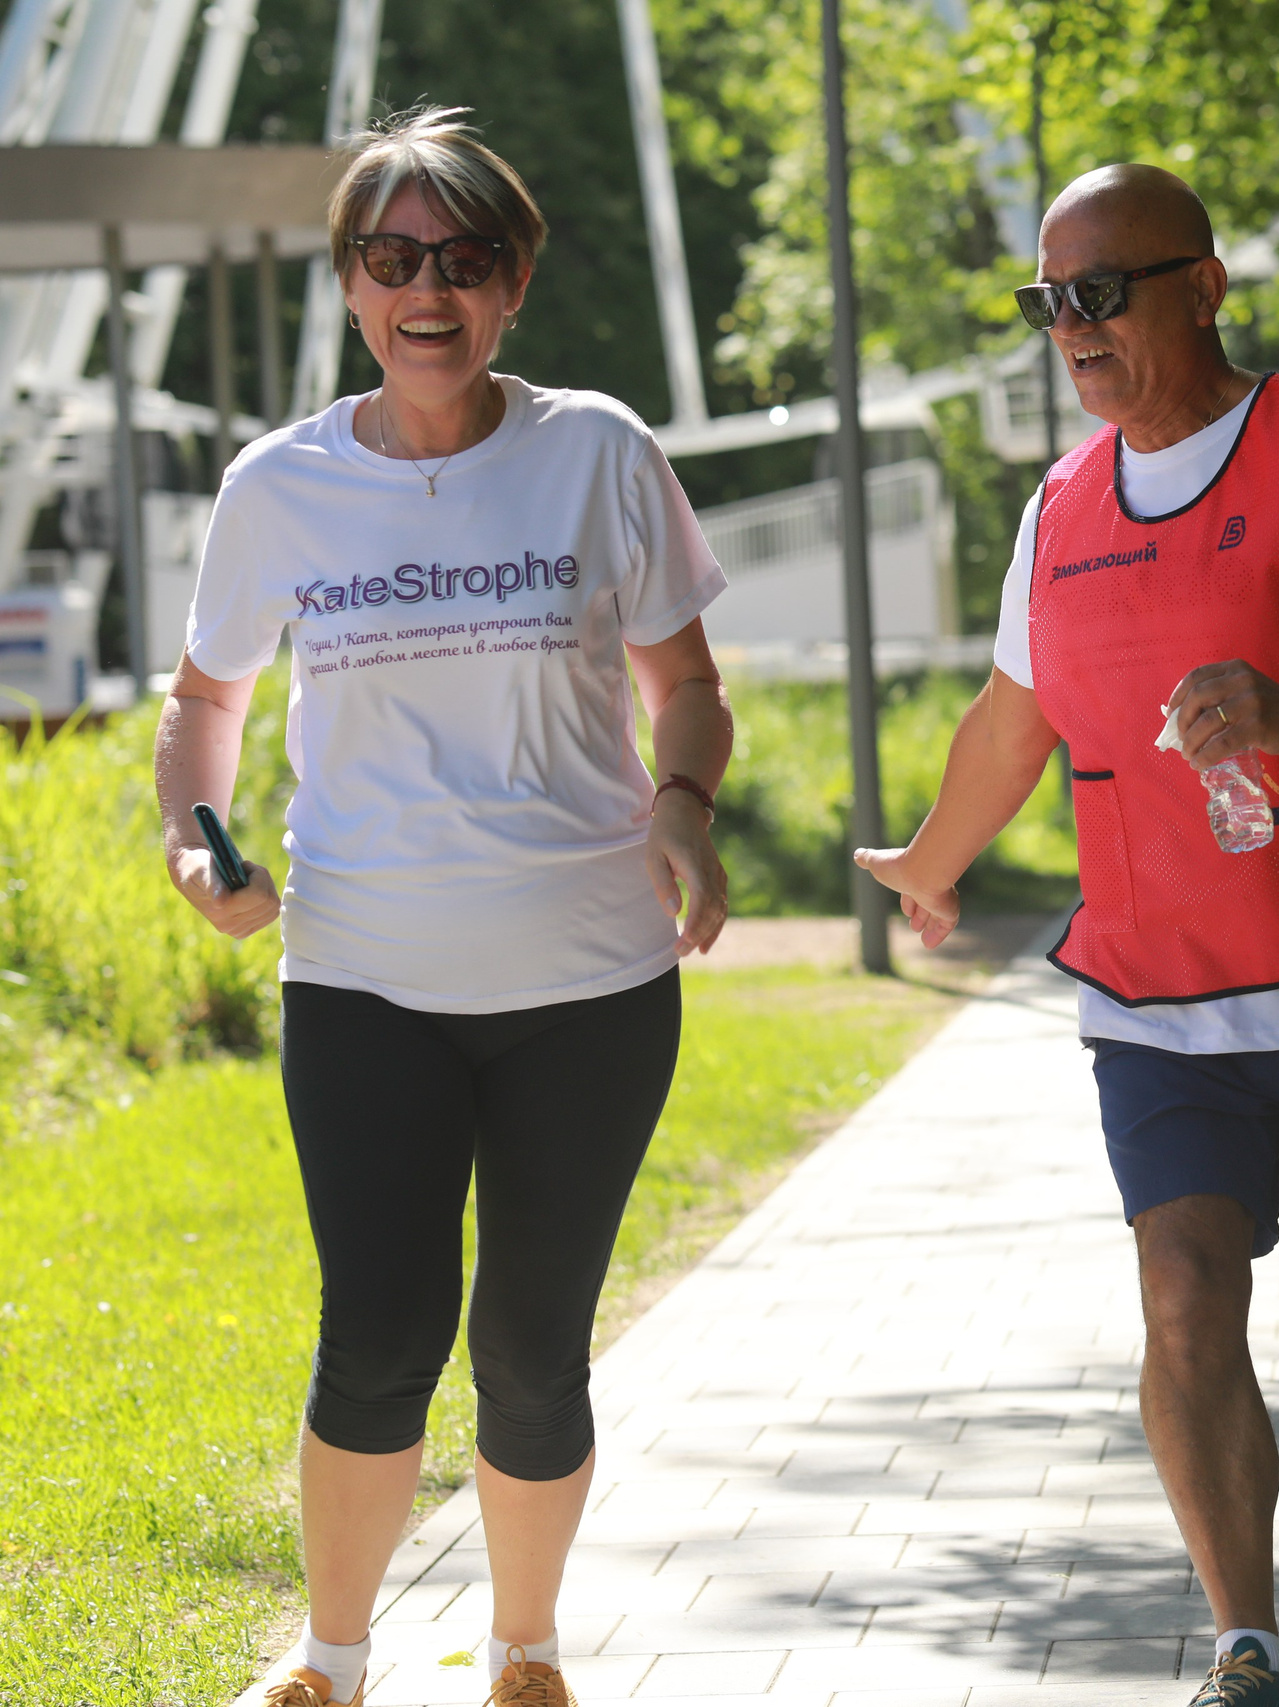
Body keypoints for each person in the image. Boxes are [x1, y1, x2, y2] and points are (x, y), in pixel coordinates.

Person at [856, 164, 1279, 1707]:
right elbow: (1020, 708)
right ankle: (1250, 1648)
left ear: (1205, 286)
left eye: (1101, 293)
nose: (1073, 329)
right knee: (1182, 1287)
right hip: (1157, 996)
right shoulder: (1060, 507)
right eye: (1051, 303)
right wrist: (933, 857)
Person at [156, 108, 731, 1707]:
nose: (429, 290)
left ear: (515, 281)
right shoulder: (278, 488)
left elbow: (686, 686)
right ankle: (330, 1670)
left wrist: (685, 806)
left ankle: (526, 1654)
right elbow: (206, 707)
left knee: (536, 1350)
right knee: (380, 1333)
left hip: (591, 986)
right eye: (393, 257)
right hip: (362, 983)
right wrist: (199, 847)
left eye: (462, 261)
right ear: (351, 282)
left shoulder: (600, 451)